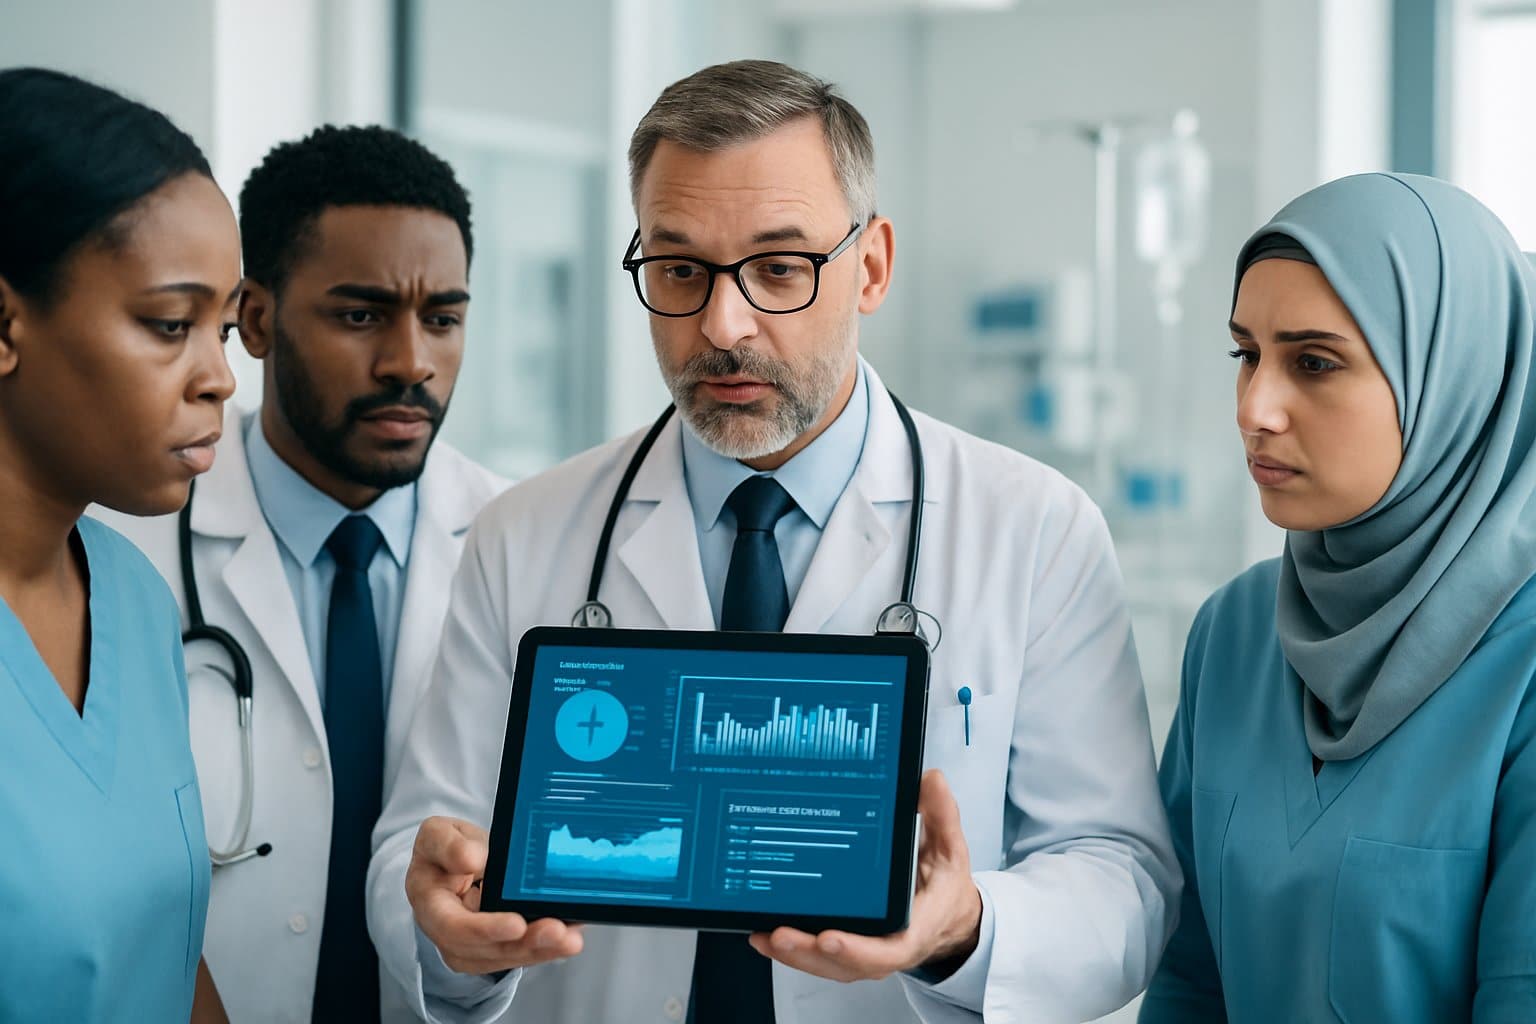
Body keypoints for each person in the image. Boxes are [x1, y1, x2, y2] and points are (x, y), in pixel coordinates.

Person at [368, 59, 1178, 1024]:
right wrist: (448, 932)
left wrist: (964, 929)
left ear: (871, 265)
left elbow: (1125, 879)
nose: (723, 323)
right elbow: (421, 843)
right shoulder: (527, 534)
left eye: (780, 268)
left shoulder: (1034, 529)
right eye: (679, 269)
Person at [99, 125, 508, 1022]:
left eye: (442, 317)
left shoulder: (523, 548)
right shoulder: (124, 548)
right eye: (359, 315)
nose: (411, 362)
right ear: (254, 318)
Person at [1139, 173, 1536, 1022]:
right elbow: (1186, 980)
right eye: (1246, 355)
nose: (1256, 408)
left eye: (1314, 364)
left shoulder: (1524, 663)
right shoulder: (1235, 633)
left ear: (1453, 376)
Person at [0, 67, 239, 1021]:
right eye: (171, 325)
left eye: (223, 327)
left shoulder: (133, 598)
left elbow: (172, 961)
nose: (219, 377)